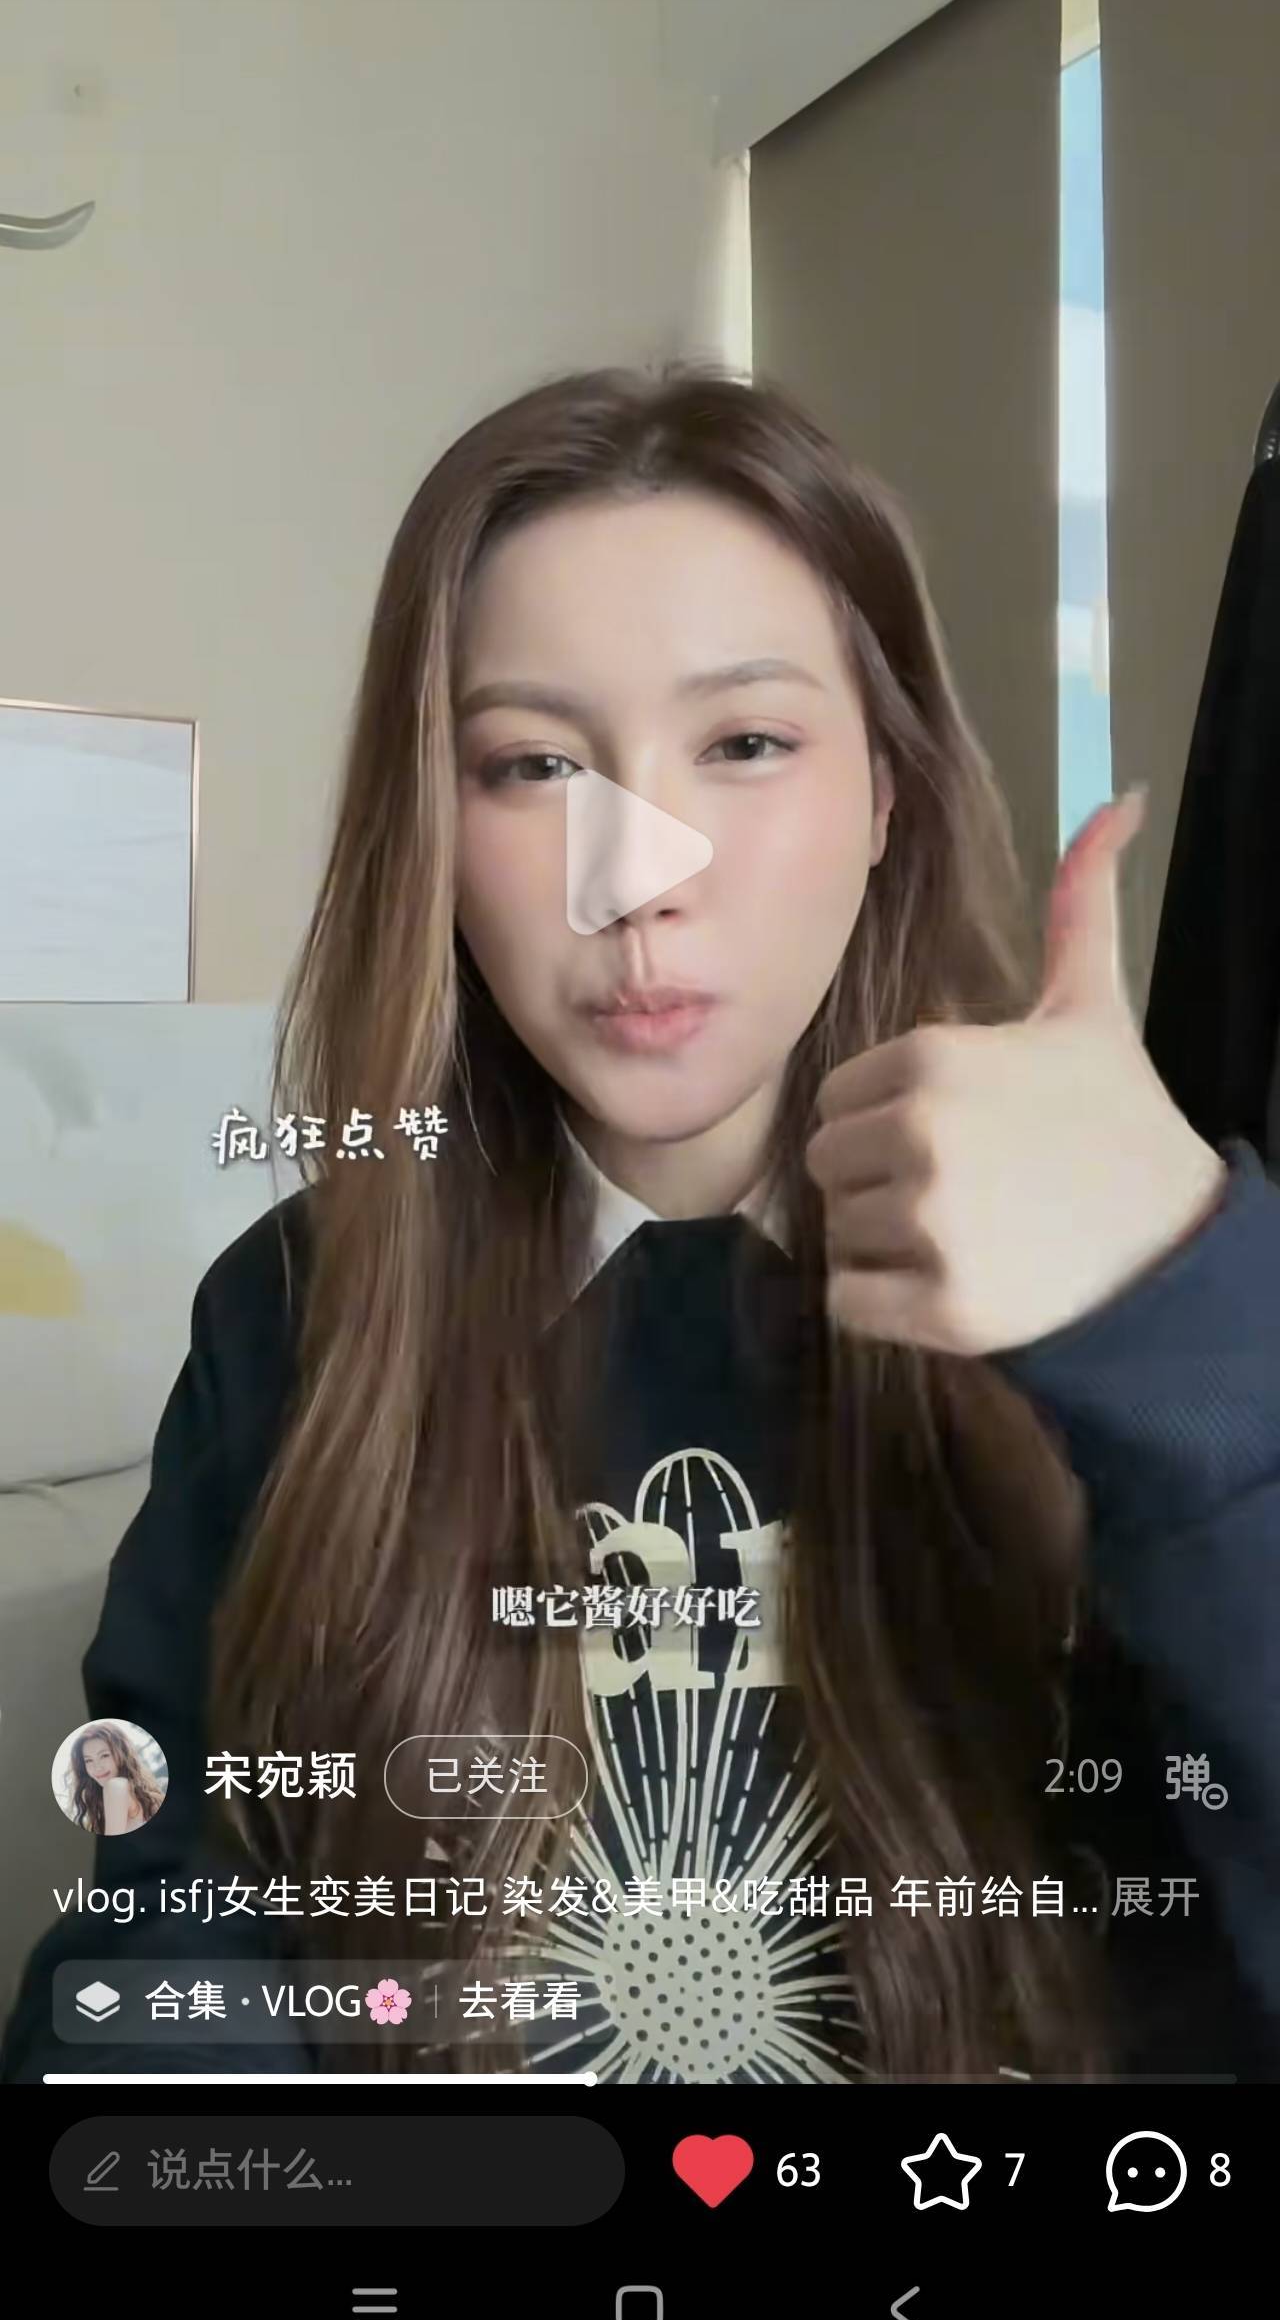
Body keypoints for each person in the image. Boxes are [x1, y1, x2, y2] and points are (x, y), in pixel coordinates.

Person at [5, 366, 1278, 2084]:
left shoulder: (1146, 1303)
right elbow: (168, 1921)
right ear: (435, 827)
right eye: (533, 764)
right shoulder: (297, 1303)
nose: (635, 875)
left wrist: (1184, 1312)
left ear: (887, 793)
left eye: (745, 743)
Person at [62, 1723, 165, 1837]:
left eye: (104, 1755)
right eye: (88, 1760)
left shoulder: (115, 1787)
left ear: (122, 1753)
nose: (97, 1767)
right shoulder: (148, 1798)